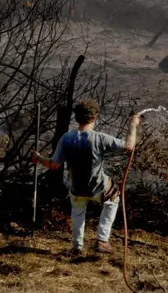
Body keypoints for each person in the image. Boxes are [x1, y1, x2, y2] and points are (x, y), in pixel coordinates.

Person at [32, 100, 141, 256]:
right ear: (94, 117)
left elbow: (53, 165)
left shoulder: (66, 138)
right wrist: (133, 125)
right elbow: (129, 146)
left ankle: (77, 246)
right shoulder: (100, 138)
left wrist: (38, 157)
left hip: (76, 188)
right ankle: (102, 241)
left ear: (77, 117)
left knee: (77, 212)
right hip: (97, 187)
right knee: (113, 198)